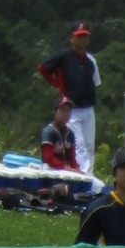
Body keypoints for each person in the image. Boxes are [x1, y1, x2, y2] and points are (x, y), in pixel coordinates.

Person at [36, 23, 100, 173]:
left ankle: (88, 174)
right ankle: (81, 173)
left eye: (85, 36)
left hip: (88, 106)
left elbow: (95, 82)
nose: (82, 40)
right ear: (72, 38)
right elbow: (43, 68)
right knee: (79, 143)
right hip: (72, 108)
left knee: (89, 144)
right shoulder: (64, 56)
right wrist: (56, 84)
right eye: (79, 36)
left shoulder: (90, 61)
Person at [39, 97, 77, 171]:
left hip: (64, 170)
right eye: (62, 110)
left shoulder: (70, 133)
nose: (66, 114)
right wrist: (68, 169)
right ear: (55, 113)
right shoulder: (49, 131)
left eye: (68, 110)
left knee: (95, 182)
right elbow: (49, 159)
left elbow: (72, 159)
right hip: (49, 169)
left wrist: (77, 169)